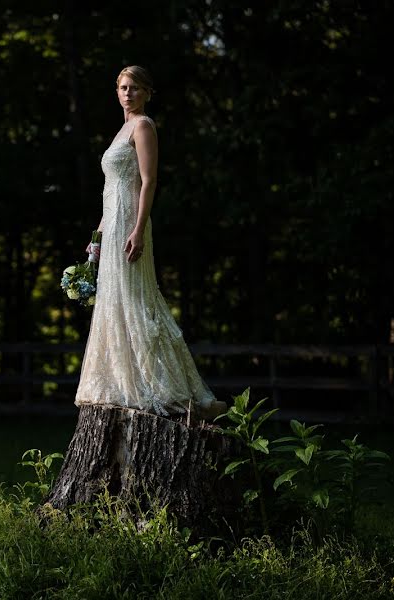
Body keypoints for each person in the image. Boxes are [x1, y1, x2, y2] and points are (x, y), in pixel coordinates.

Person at [74, 65, 227, 420]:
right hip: (111, 225)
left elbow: (148, 180)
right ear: (117, 92)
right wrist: (96, 238)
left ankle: (173, 388)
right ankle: (123, 381)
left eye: (136, 88)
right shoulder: (121, 130)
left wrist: (138, 229)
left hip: (130, 222)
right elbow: (109, 192)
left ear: (147, 94)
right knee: (115, 299)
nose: (129, 93)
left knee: (137, 298)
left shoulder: (143, 126)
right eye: (124, 87)